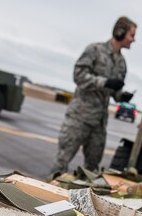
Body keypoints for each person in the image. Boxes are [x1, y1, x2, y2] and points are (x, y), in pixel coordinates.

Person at [50, 16, 136, 177]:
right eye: (131, 35)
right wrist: (105, 82)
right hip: (80, 118)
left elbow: (113, 92)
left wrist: (121, 96)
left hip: (99, 123)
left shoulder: (122, 63)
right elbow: (79, 75)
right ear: (120, 32)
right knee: (61, 164)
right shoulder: (95, 50)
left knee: (91, 171)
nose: (133, 40)